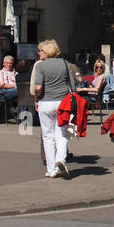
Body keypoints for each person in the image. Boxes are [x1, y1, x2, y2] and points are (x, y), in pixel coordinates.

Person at [31, 38, 78, 178]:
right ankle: (61, 159)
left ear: (47, 51)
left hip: (45, 102)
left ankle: (51, 169)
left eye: (41, 51)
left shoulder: (40, 66)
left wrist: (36, 98)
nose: (39, 53)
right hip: (62, 102)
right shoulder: (65, 64)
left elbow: (38, 87)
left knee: (47, 136)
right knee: (62, 134)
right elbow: (73, 86)